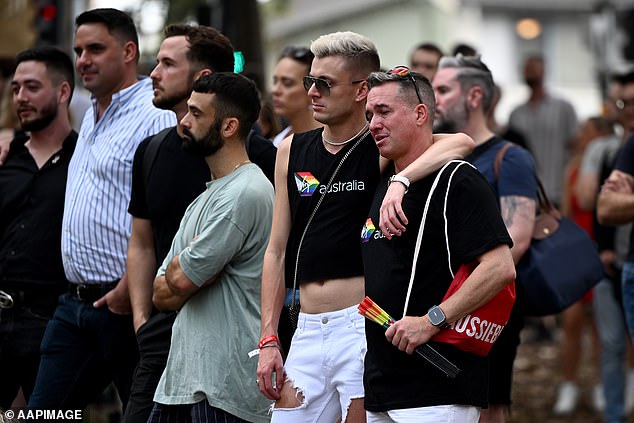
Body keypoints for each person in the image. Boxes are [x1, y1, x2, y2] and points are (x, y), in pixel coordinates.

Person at [256, 31, 474, 423]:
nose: (312, 93)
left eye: (324, 83)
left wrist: (400, 180)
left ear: (360, 91)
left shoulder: (379, 145)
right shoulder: (291, 148)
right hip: (304, 325)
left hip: (359, 325)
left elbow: (459, 142)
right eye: (310, 81)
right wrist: (269, 337)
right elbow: (275, 249)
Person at [27, 8, 176, 411]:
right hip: (73, 306)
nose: (82, 61)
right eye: (78, 50)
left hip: (127, 305)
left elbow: (168, 209)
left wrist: (133, 285)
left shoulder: (155, 113)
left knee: (144, 417)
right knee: (41, 413)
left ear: (129, 51)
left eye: (95, 48)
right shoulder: (91, 114)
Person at [124, 24, 262, 423]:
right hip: (163, 343)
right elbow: (142, 243)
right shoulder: (151, 152)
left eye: (167, 63)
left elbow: (276, 251)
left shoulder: (254, 169)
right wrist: (141, 324)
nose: (153, 73)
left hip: (226, 354)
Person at [362, 66, 516, 423]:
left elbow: (500, 267)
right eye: (369, 114)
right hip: (383, 384)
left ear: (420, 114)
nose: (373, 124)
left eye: (384, 111)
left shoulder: (458, 180)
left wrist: (432, 320)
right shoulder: (385, 181)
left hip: (438, 384)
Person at [148, 72, 274, 422]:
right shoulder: (205, 197)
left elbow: (182, 281)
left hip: (224, 386)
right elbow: (160, 293)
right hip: (183, 380)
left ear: (229, 126)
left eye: (197, 114)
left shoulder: (245, 191)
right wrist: (191, 270)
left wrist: (185, 272)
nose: (184, 122)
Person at [432, 54, 537, 423]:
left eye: (443, 90)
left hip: (486, 311)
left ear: (474, 96)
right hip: (434, 312)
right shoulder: (433, 156)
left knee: (488, 409)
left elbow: (518, 241)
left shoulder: (511, 158)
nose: (434, 99)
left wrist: (461, 300)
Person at [0, 46, 77, 408]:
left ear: (63, 92)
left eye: (31, 87)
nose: (20, 98)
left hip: (49, 319)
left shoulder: (84, 158)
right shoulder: (6, 155)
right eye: (15, 88)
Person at [508, 54, 578, 205]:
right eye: (526, 69)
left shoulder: (563, 108)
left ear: (544, 70)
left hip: (557, 191)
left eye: (533, 68)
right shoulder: (516, 114)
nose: (529, 72)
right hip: (525, 192)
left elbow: (575, 147)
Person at [270, 46, 321, 147]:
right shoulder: (277, 143)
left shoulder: (331, 140)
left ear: (311, 87)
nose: (275, 90)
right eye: (275, 81)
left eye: (287, 83)